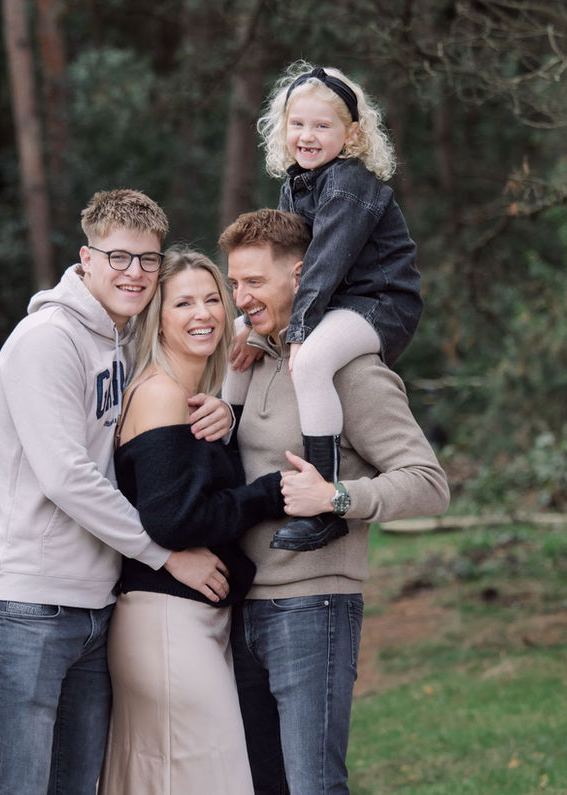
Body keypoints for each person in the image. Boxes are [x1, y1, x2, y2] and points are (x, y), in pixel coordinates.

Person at [0, 189, 235, 795]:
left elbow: (205, 329)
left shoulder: (123, 338)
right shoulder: (47, 342)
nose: (134, 273)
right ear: (85, 259)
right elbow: (67, 478)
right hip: (26, 603)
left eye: (147, 260)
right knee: (20, 785)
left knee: (76, 786)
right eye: (118, 258)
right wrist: (166, 556)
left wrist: (222, 408)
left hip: (96, 602)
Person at [220, 208, 449, 794]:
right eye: (234, 282)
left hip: (313, 608)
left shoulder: (349, 371)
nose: (239, 297)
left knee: (313, 784)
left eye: (253, 282)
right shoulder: (251, 360)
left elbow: (428, 481)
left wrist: (337, 495)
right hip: (240, 607)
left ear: (301, 277)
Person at [98, 247, 296, 794]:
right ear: (156, 315)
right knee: (216, 776)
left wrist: (229, 415)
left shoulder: (195, 399)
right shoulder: (160, 394)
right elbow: (175, 521)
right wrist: (268, 494)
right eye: (183, 302)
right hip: (166, 625)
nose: (203, 313)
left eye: (213, 298)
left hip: (193, 622)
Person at [223, 61, 424, 553]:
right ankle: (222, 452)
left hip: (378, 304)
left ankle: (323, 498)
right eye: (298, 124)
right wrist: (250, 326)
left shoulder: (349, 184)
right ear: (282, 127)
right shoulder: (297, 184)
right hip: (334, 302)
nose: (307, 136)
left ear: (351, 134)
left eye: (322, 126)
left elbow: (325, 264)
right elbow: (287, 264)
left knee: (310, 360)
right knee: (234, 329)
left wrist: (295, 332)